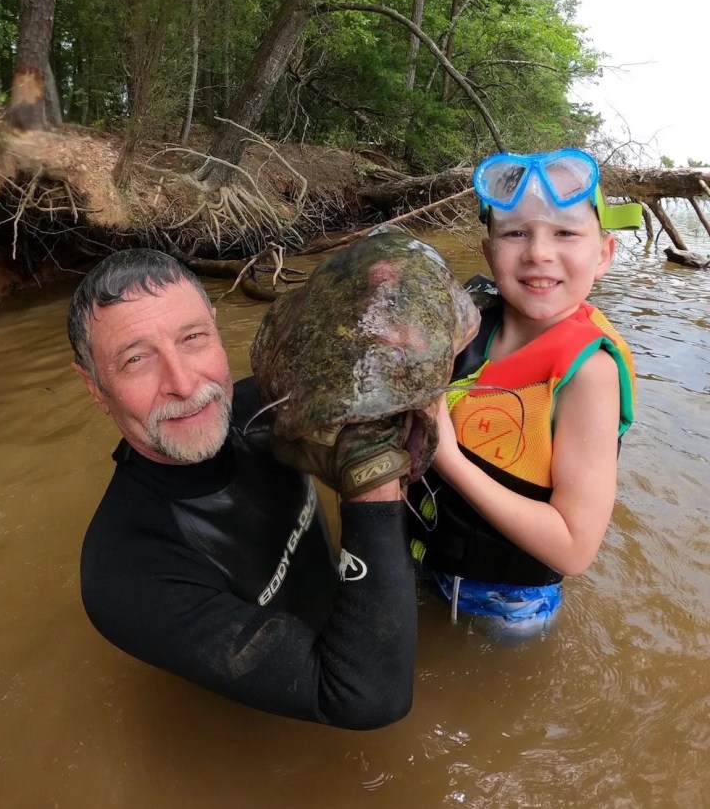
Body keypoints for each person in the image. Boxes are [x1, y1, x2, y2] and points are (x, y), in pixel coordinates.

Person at [67, 248, 417, 729]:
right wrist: (371, 469)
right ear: (94, 386)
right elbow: (366, 698)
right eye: (135, 359)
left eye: (192, 338)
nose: (184, 384)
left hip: (349, 608)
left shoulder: (267, 406)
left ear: (216, 326)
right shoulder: (126, 572)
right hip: (271, 713)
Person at [408, 148, 643, 639]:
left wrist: (447, 457)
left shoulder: (588, 375)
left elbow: (574, 549)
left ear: (603, 253)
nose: (538, 252)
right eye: (516, 233)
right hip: (420, 558)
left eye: (565, 232)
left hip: (505, 607)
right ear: (489, 250)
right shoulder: (464, 329)